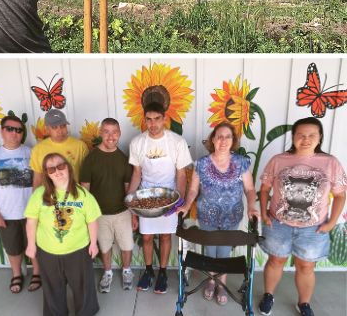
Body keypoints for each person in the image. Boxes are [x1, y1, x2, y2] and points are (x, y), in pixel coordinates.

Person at [255, 117, 346, 316]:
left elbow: (340, 195)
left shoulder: (331, 163)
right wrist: (263, 214)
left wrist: (331, 223)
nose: (306, 139)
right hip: (278, 224)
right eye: (301, 135)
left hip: (313, 228)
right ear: (293, 137)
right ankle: (268, 295)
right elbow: (264, 190)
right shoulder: (278, 160)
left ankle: (304, 303)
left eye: (312, 135)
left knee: (306, 266)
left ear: (320, 137)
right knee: (275, 261)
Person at [179, 122, 256, 305]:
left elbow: (250, 189)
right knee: (210, 251)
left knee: (224, 252)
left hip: (232, 216)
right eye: (219, 136)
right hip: (207, 216)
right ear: (213, 139)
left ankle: (221, 284)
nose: (223, 140)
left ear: (233, 140)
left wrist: (252, 206)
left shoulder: (241, 163)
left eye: (227, 136)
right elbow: (192, 190)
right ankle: (211, 282)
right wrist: (186, 205)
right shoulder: (202, 164)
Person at [25, 152, 102, 316]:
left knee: (83, 286)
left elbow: (92, 221)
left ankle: (85, 311)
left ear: (68, 168)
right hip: (48, 252)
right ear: (46, 174)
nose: (57, 172)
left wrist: (94, 244)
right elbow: (31, 222)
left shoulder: (83, 194)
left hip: (78, 251)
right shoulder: (39, 195)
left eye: (60, 166)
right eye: (51, 169)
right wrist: (31, 245)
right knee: (52, 287)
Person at [126, 103, 192, 294]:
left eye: (157, 119)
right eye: (149, 119)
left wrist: (179, 200)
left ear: (164, 119)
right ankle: (148, 271)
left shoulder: (177, 142)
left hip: (169, 197)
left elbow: (181, 174)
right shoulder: (137, 143)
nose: (153, 123)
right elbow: (136, 173)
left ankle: (162, 272)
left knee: (165, 236)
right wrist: (130, 200)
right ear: (144, 120)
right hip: (146, 197)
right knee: (146, 237)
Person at [0, 115, 39, 294]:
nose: (15, 133)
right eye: (10, 129)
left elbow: (40, 181)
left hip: (32, 213)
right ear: (2, 131)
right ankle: (16, 274)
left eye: (19, 130)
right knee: (13, 247)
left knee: (35, 244)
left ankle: (37, 273)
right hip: (7, 215)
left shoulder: (32, 153)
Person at [79, 118, 136, 293]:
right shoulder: (90, 159)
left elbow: (129, 191)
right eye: (106, 131)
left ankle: (127, 271)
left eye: (114, 132)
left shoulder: (124, 159)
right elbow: (85, 192)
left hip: (122, 213)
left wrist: (133, 214)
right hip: (99, 215)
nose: (110, 136)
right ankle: (108, 272)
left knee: (127, 245)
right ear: (100, 133)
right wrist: (88, 218)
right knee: (104, 246)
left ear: (119, 134)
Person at [30, 109, 87, 188]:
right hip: (50, 197)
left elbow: (86, 177)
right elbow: (37, 179)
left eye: (63, 126)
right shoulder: (38, 150)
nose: (60, 131)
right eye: (54, 127)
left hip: (74, 196)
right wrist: (35, 199)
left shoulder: (80, 146)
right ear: (47, 129)